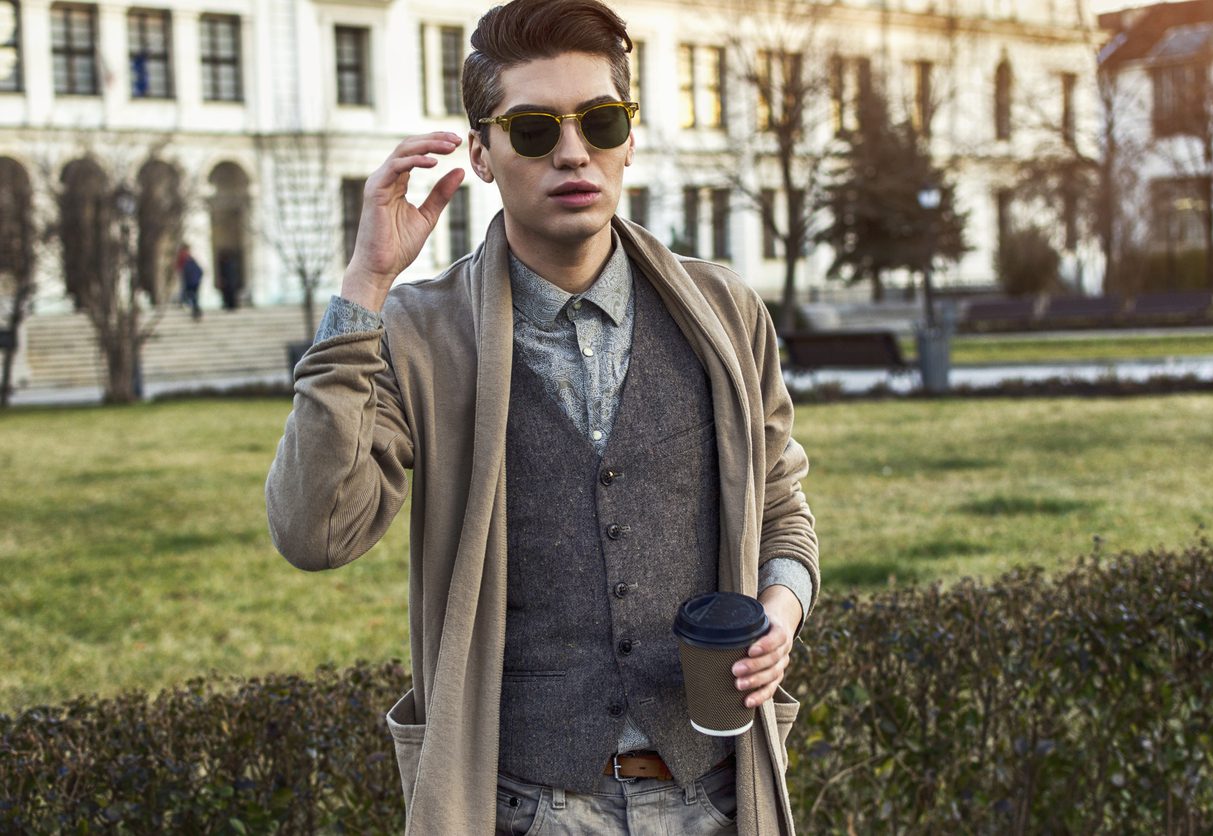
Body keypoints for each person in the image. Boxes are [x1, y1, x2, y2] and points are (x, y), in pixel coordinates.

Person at [265, 0, 819, 833]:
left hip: (715, 793)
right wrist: (364, 287)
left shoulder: (723, 312)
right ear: (482, 154)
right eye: (531, 129)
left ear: (629, 138)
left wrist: (783, 607)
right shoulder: (419, 332)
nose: (572, 151)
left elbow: (783, 509)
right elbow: (316, 532)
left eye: (600, 121)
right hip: (523, 805)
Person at [175, 244, 203, 320]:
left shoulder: (190, 260)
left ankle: (196, 313)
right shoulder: (185, 260)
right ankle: (194, 312)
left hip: (191, 283)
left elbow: (199, 271)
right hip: (190, 282)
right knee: (191, 297)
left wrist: (195, 280)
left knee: (192, 297)